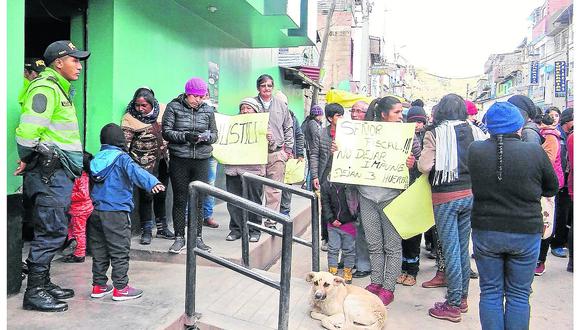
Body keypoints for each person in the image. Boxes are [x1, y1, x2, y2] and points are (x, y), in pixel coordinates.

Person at [468, 102, 558, 329]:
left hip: (486, 231)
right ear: (518, 126)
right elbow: (551, 188)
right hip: (525, 232)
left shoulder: (475, 150)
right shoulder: (534, 151)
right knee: (519, 295)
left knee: (490, 292)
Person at [15, 40, 90, 312]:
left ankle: (43, 283)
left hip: (56, 172)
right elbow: (28, 130)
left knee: (54, 229)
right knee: (51, 231)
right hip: (49, 174)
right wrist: (27, 157)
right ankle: (34, 292)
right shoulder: (46, 88)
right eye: (75, 60)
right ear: (58, 62)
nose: (79, 66)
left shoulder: (58, 89)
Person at [418, 93, 484, 323]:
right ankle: (463, 298)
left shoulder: (435, 133)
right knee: (462, 247)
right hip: (471, 195)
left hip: (446, 197)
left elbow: (425, 165)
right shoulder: (476, 132)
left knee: (451, 250)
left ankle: (453, 303)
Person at [89, 123, 166, 301]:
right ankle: (121, 288)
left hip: (95, 211)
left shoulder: (97, 158)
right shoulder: (122, 158)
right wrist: (152, 182)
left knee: (99, 251)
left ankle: (99, 286)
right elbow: (136, 171)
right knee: (119, 250)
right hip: (116, 212)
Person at [358, 96, 419, 306]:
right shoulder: (362, 133)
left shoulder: (408, 135)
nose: (400, 117)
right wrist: (339, 153)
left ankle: (388, 287)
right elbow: (349, 157)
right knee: (374, 244)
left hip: (392, 197)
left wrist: (413, 164)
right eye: (397, 113)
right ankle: (375, 282)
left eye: (401, 113)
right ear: (383, 114)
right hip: (366, 195)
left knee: (392, 246)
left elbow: (421, 168)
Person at [162, 77, 218, 254]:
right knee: (180, 198)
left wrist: (207, 138)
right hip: (180, 158)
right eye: (195, 96)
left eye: (202, 97)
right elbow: (167, 132)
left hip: (202, 159)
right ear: (187, 93)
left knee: (199, 200)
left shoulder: (208, 110)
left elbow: (215, 134)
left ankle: (197, 237)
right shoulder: (174, 107)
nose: (199, 100)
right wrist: (186, 137)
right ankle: (179, 237)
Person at [121, 87, 174, 245]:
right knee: (146, 196)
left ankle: (162, 227)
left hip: (164, 161)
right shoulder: (129, 118)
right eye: (137, 105)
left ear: (152, 103)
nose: (140, 109)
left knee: (161, 193)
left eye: (144, 105)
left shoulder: (163, 109)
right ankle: (146, 230)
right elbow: (126, 145)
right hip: (143, 165)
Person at [253, 74, 294, 228]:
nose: (266, 88)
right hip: (255, 153)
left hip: (276, 153)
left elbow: (288, 127)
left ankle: (271, 221)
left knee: (274, 189)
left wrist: (287, 150)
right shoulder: (251, 104)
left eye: (269, 86)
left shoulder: (281, 105)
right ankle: (255, 222)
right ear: (258, 88)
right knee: (256, 188)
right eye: (263, 85)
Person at [224, 98, 265, 242]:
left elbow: (272, 147)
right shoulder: (232, 125)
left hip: (253, 170)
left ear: (256, 111)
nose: (245, 111)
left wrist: (269, 138)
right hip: (233, 169)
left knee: (254, 200)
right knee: (233, 201)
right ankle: (236, 230)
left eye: (249, 108)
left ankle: (254, 229)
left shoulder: (263, 126)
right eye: (243, 108)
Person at [397, 105, 428, 287]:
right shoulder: (399, 136)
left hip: (415, 192)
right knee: (400, 234)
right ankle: (402, 268)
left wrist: (414, 163)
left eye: (420, 121)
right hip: (398, 191)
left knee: (413, 234)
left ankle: (412, 270)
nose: (417, 125)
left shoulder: (422, 139)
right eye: (414, 121)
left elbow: (425, 166)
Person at [310, 103, 344, 251]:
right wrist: (315, 176)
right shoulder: (321, 133)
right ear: (330, 118)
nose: (341, 118)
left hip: (343, 175)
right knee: (326, 208)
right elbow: (314, 154)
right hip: (326, 175)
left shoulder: (349, 133)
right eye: (338, 115)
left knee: (343, 207)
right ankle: (326, 237)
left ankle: (343, 237)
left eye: (342, 115)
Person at [535, 109, 565, 275]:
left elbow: (548, 162)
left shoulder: (551, 137)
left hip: (547, 186)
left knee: (545, 223)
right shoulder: (545, 135)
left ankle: (541, 261)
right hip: (541, 184)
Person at [349, 100, 371, 279]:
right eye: (353, 111)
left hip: (371, 188)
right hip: (350, 187)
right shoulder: (344, 133)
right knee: (354, 225)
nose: (355, 115)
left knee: (366, 227)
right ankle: (356, 261)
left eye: (360, 111)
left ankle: (366, 264)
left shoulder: (375, 133)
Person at [321, 180, 358, 284]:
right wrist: (331, 219)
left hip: (349, 223)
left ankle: (348, 271)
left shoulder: (351, 184)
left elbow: (355, 202)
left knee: (349, 249)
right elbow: (325, 204)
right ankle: (332, 271)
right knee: (333, 249)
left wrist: (353, 217)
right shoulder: (326, 185)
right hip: (333, 225)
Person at [61, 152, 94, 263]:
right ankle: (73, 248)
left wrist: (67, 195)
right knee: (72, 229)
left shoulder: (80, 176)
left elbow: (83, 194)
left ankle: (79, 254)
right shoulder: (85, 175)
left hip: (80, 209)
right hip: (80, 208)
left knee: (79, 231)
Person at [550, 108, 573, 258]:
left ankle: (562, 241)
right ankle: (556, 243)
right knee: (557, 213)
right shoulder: (556, 135)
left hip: (566, 180)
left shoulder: (569, 135)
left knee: (565, 213)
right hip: (557, 180)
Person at [277, 91, 305, 216]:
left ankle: (284, 211)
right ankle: (270, 212)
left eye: (284, 104)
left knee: (287, 185)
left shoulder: (293, 118)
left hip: (289, 157)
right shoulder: (268, 116)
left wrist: (299, 153)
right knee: (271, 187)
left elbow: (299, 136)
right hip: (272, 156)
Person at [201, 92, 220, 229]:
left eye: (205, 94)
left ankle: (207, 215)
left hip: (213, 153)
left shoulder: (216, 113)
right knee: (191, 184)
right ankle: (187, 216)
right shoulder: (189, 111)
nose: (203, 97)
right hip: (195, 153)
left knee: (209, 185)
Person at [301, 104, 324, 191]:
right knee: (312, 168)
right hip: (312, 149)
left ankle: (308, 185)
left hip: (310, 148)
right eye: (321, 115)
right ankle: (308, 186)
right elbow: (316, 136)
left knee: (311, 168)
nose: (322, 117)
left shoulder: (310, 122)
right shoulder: (313, 124)